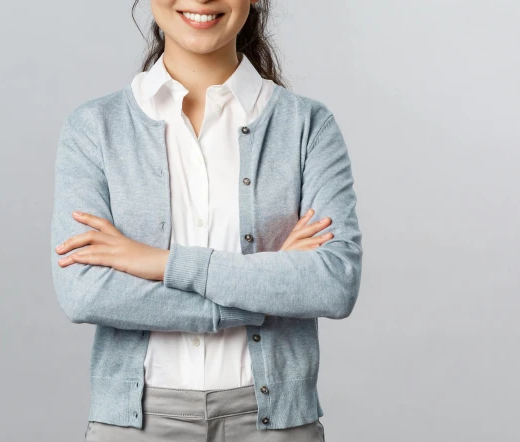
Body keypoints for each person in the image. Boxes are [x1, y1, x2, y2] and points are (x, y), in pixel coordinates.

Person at [51, 1, 363, 440]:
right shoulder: (94, 129)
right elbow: (84, 293)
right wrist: (267, 291)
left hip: (274, 425)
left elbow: (333, 283)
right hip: (134, 424)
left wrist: (162, 263)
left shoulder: (306, 125)